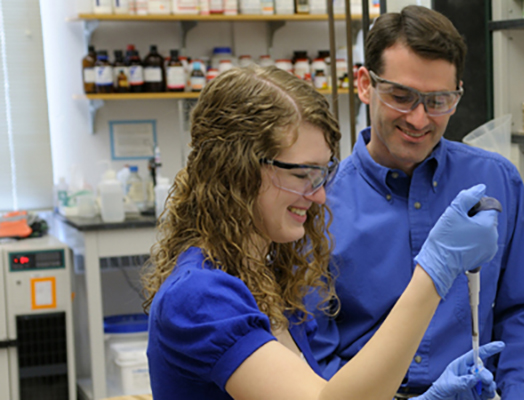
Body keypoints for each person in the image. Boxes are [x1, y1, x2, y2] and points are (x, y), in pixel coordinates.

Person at [141, 66, 505, 400]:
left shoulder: (263, 279)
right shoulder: (199, 297)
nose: (318, 196)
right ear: (237, 171)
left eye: (321, 175)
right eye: (302, 176)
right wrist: (433, 272)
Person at [322, 6, 524, 399]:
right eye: (401, 96)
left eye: (439, 100)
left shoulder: (497, 181)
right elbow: (315, 352)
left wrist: (517, 392)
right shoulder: (320, 202)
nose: (419, 119)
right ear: (365, 84)